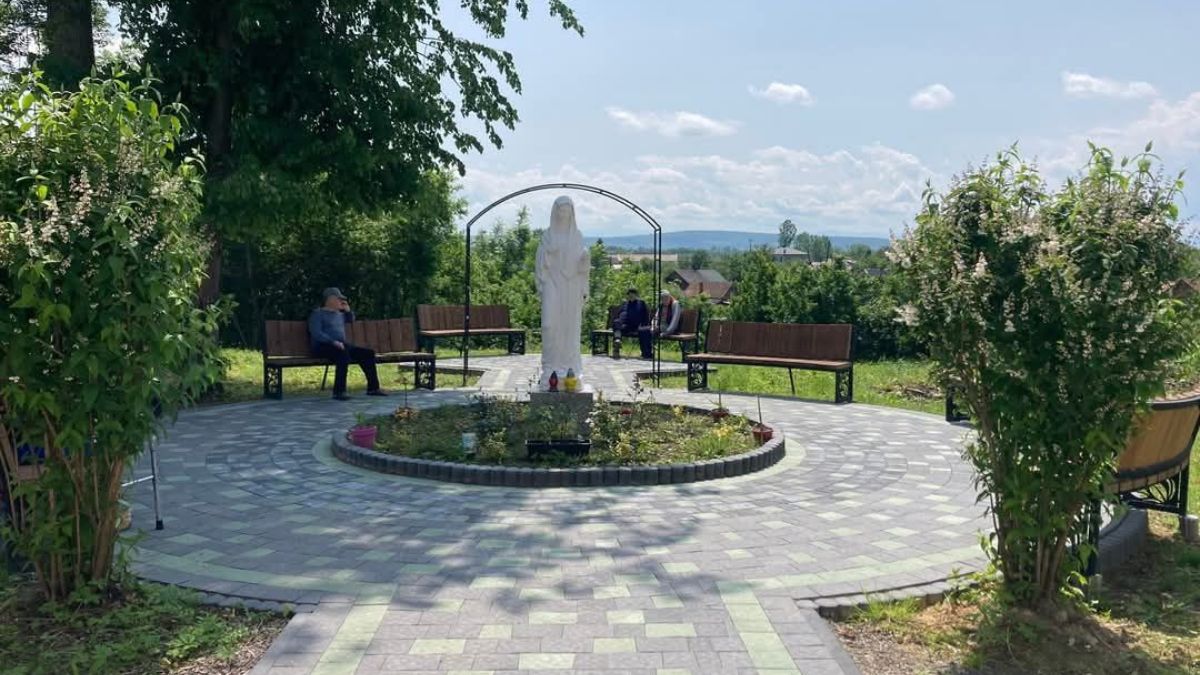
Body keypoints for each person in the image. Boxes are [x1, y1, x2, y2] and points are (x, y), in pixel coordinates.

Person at [308, 287, 387, 401]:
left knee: (368, 353)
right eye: (339, 299)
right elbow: (316, 333)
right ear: (330, 299)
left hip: (341, 345)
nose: (342, 301)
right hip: (322, 346)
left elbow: (351, 319)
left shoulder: (340, 314)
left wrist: (348, 310)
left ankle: (373, 388)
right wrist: (333, 342)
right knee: (343, 354)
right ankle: (339, 392)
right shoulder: (317, 314)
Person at [613, 288, 653, 359]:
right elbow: (619, 314)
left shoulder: (641, 303)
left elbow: (646, 316)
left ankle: (646, 354)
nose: (630, 296)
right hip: (626, 326)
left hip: (637, 326)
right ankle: (617, 341)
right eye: (629, 294)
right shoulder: (625, 304)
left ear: (636, 295)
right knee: (616, 322)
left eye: (632, 294)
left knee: (644, 331)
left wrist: (644, 325)